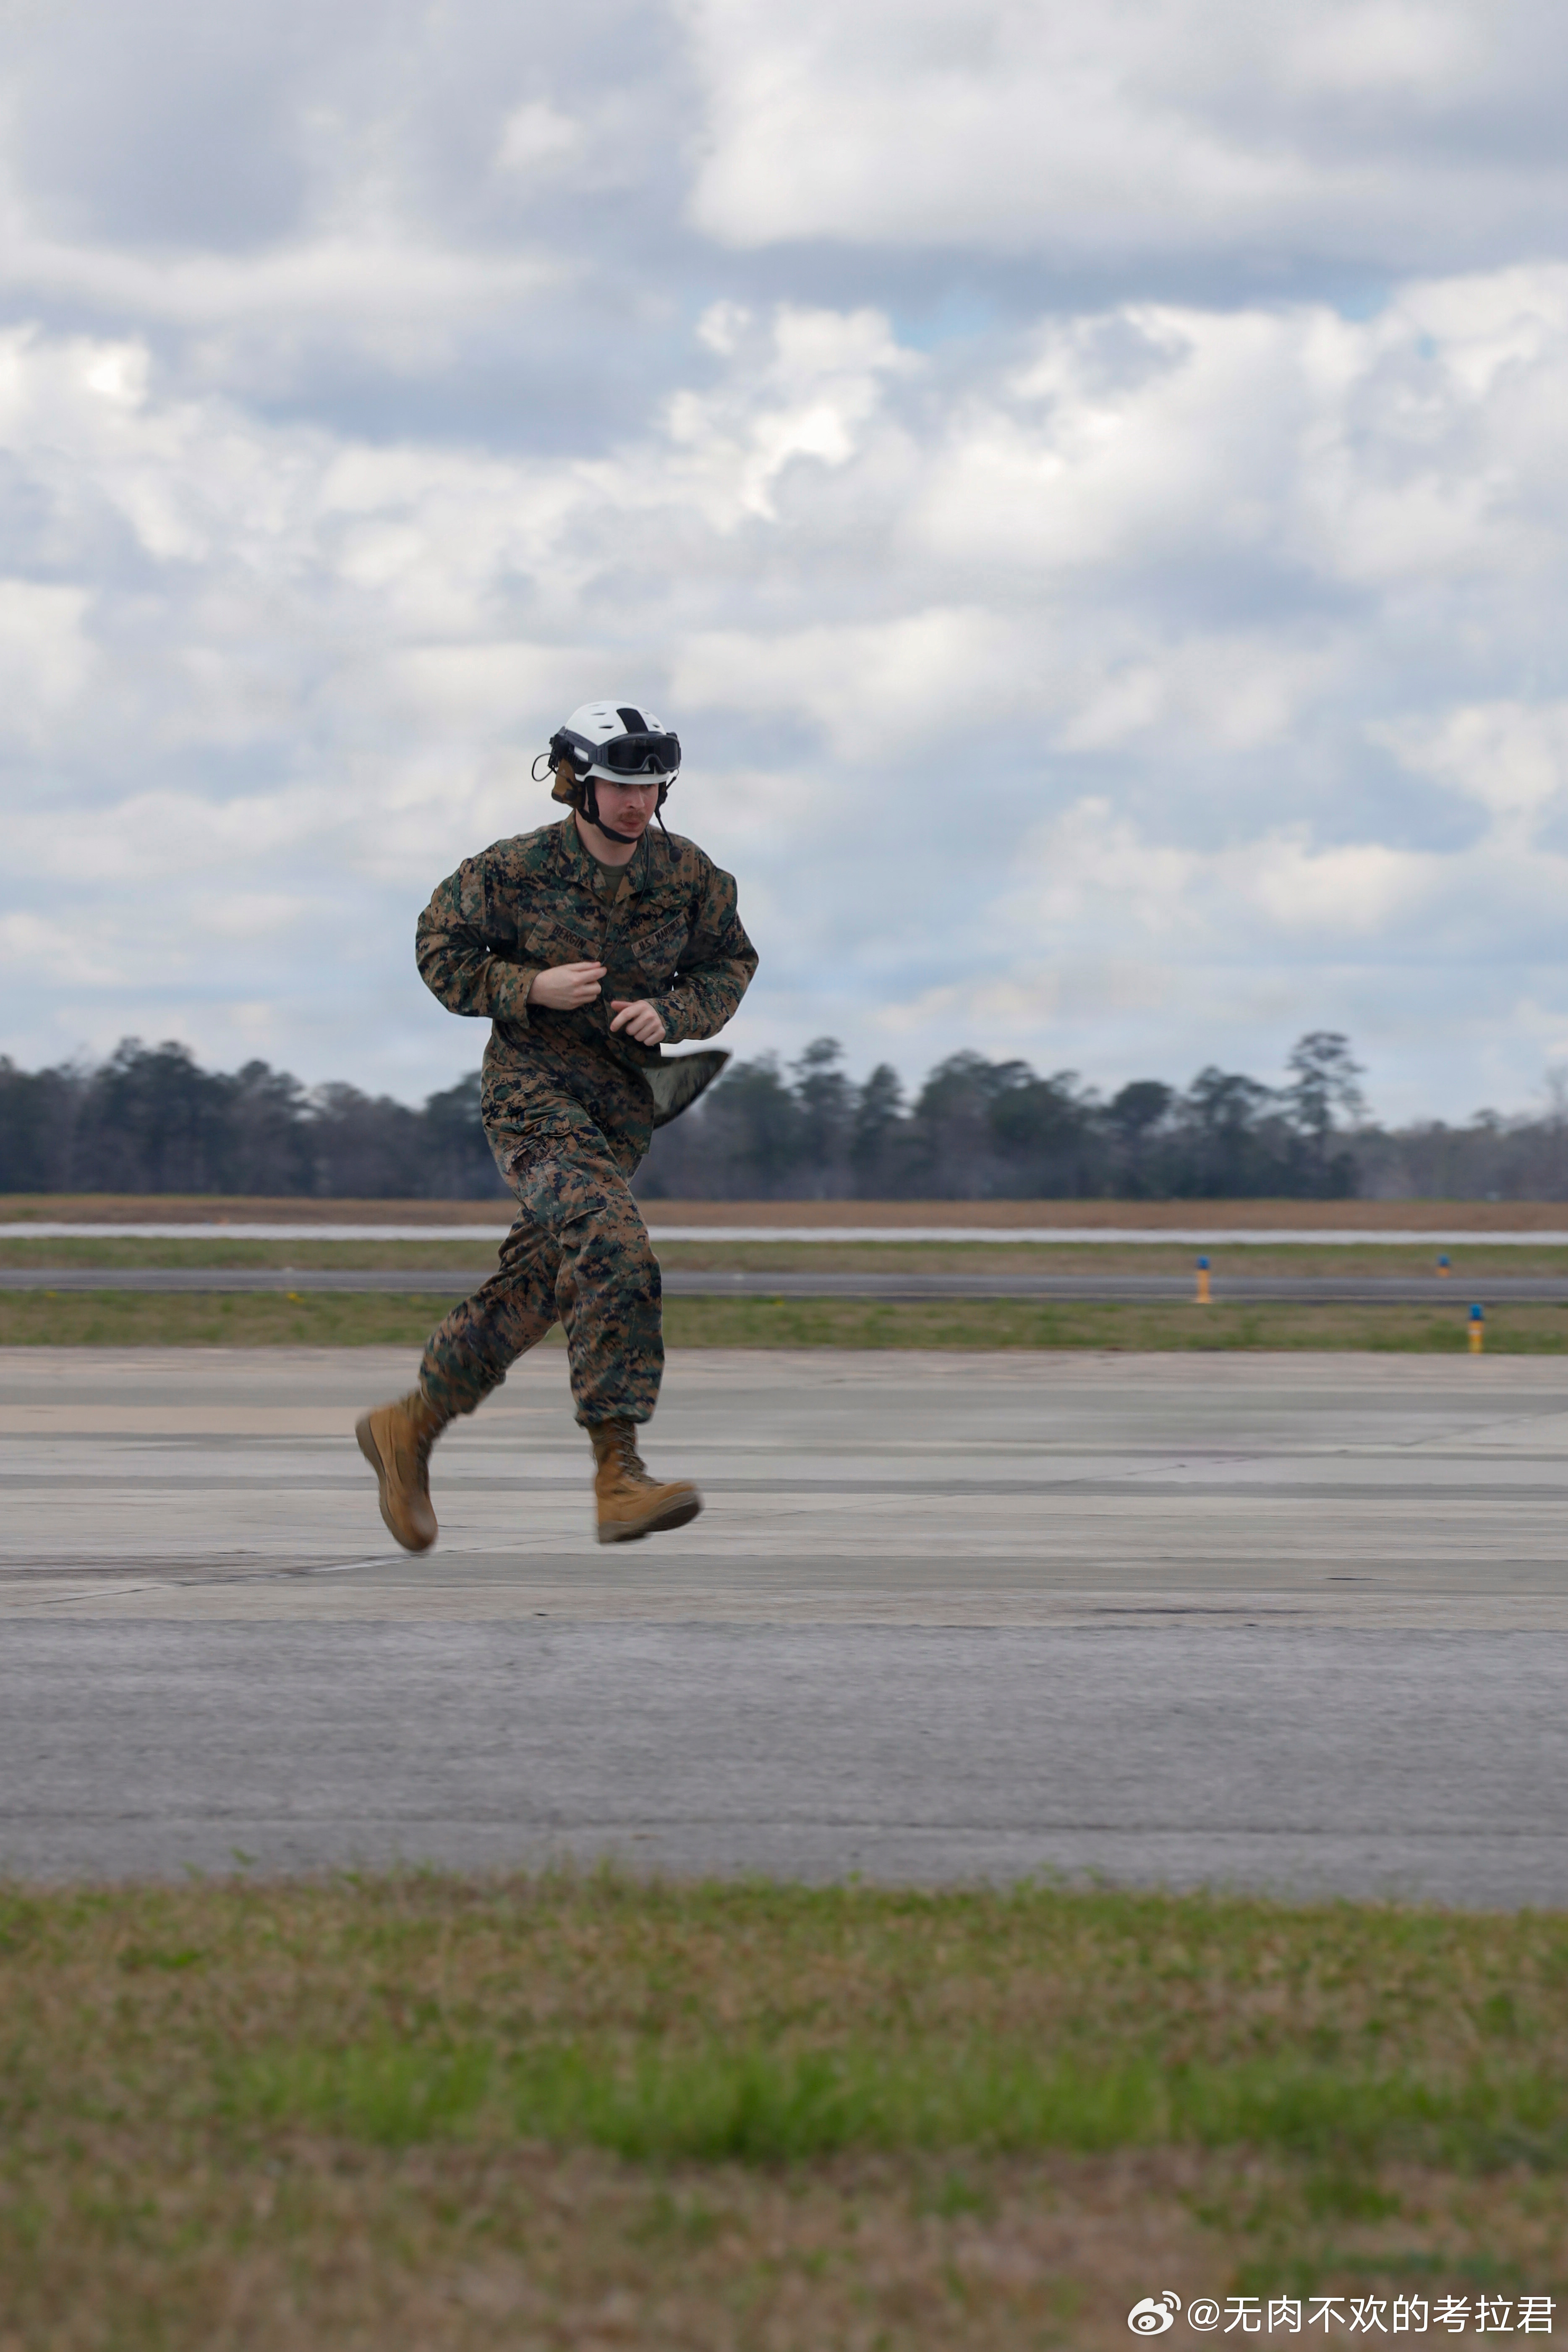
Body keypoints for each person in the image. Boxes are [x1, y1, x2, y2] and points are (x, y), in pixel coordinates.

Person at [355, 701, 757, 1548]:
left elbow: (729, 961)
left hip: (617, 1117)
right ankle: (618, 1474)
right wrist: (527, 988)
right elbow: (438, 947)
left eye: (650, 788)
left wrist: (674, 1011)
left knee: (536, 1287)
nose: (636, 804)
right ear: (578, 783)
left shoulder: (687, 875)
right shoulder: (513, 870)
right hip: (531, 1100)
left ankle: (408, 1428)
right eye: (619, 786)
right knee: (614, 1245)